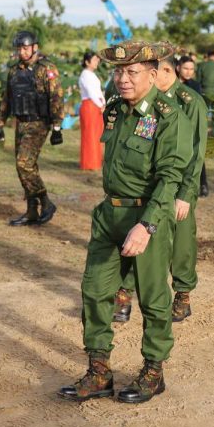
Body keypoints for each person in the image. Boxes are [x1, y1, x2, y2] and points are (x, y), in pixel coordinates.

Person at [57, 41, 191, 404]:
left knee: (154, 298)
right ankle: (99, 371)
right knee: (94, 291)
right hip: (109, 214)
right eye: (118, 72)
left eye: (132, 72)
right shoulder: (115, 109)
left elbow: (170, 177)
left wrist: (146, 226)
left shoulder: (168, 116)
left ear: (153, 74)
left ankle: (153, 372)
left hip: (146, 216)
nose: (123, 79)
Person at [113, 48, 206, 324]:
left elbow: (196, 153)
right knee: (138, 235)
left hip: (178, 187)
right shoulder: (148, 101)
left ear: (165, 71)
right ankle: (125, 292)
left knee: (181, 242)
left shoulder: (190, 102)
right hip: (149, 187)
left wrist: (185, 194)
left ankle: (183, 294)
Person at [0, 31, 64, 226]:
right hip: (21, 122)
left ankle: (46, 202)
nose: (22, 52)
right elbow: (7, 98)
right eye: (19, 49)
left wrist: (57, 126)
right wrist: (0, 123)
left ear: (34, 47)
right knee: (26, 166)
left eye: (25, 48)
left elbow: (56, 96)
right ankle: (32, 210)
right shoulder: (14, 71)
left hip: (39, 122)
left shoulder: (46, 68)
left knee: (23, 163)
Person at [176, 55, 208, 196]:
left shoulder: (195, 86)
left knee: (197, 154)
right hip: (175, 125)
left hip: (191, 125)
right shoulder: (172, 84)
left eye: (191, 69)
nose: (189, 72)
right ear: (178, 68)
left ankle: (203, 184)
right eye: (185, 68)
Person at [78, 50, 105, 171]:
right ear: (87, 62)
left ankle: (96, 161)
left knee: (97, 134)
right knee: (90, 135)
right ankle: (89, 163)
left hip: (96, 105)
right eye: (94, 59)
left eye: (97, 59)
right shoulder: (85, 75)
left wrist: (103, 103)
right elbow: (91, 92)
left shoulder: (92, 75)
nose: (97, 61)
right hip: (90, 105)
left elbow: (98, 92)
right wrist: (100, 105)